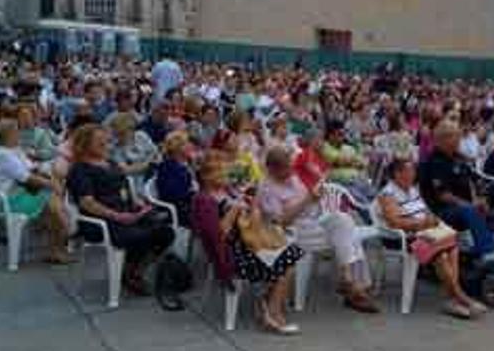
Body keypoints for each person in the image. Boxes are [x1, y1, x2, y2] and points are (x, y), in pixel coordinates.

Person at [258, 146, 379, 313]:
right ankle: (354, 287)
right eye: (286, 169)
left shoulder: (292, 179)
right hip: (290, 233)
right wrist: (308, 199)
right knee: (349, 237)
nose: (290, 172)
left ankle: (348, 279)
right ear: (272, 168)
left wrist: (315, 198)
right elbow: (282, 222)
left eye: (290, 167)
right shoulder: (267, 189)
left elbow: (310, 207)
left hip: (311, 222)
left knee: (343, 220)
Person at [192, 156, 303, 334]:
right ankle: (271, 310)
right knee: (287, 259)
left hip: (242, 245)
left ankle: (267, 305)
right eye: (219, 172)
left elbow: (247, 221)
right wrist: (236, 209)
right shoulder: (204, 201)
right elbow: (219, 234)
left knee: (289, 254)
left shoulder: (222, 193)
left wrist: (250, 206)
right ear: (206, 177)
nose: (225, 175)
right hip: (231, 254)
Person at [66, 124, 175, 295]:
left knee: (165, 231)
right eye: (100, 142)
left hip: (125, 213)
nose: (106, 145)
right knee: (139, 235)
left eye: (106, 141)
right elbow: (87, 203)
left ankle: (133, 269)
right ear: (85, 145)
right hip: (100, 220)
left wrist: (139, 204)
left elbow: (125, 187)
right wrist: (117, 216)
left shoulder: (110, 163)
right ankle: (131, 273)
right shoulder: (80, 170)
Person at [376, 158, 487, 319]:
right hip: (401, 237)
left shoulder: (412, 190)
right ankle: (460, 297)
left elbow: (425, 210)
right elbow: (394, 222)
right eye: (409, 171)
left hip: (423, 233)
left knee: (452, 246)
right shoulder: (388, 194)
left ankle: (452, 299)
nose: (414, 174)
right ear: (397, 174)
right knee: (441, 255)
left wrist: (432, 220)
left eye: (413, 170)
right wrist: (421, 224)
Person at [0, 119, 71, 263]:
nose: (19, 134)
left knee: (53, 200)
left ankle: (58, 240)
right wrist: (51, 184)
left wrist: (49, 174)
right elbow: (26, 178)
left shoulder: (15, 150)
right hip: (7, 200)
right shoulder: (3, 154)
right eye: (16, 131)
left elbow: (32, 167)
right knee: (52, 199)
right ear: (8, 135)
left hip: (20, 194)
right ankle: (60, 238)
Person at [419, 120, 494, 261]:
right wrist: (470, 204)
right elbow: (444, 196)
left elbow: (474, 178)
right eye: (456, 136)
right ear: (444, 139)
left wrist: (481, 198)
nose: (459, 139)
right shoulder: (434, 162)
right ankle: (488, 250)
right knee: (469, 210)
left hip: (460, 206)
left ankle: (489, 244)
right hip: (441, 211)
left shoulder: (457, 157)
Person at [156, 131, 195, 227]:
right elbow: (176, 195)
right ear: (178, 149)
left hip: (188, 203)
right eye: (186, 143)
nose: (190, 146)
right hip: (178, 209)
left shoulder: (184, 164)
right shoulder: (167, 169)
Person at [108, 112, 160, 181]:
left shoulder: (141, 136)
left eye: (123, 132)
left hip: (153, 176)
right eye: (118, 133)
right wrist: (149, 164)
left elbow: (157, 156)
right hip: (133, 181)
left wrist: (147, 164)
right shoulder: (114, 149)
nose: (118, 136)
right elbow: (125, 170)